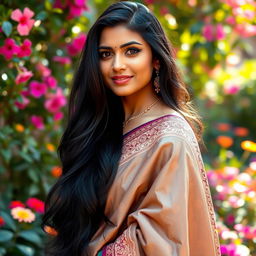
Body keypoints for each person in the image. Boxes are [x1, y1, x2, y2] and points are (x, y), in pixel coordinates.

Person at [42, 1, 221, 255]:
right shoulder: (102, 126)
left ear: (156, 59)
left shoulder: (170, 137)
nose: (117, 65)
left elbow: (161, 236)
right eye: (106, 54)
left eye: (131, 51)